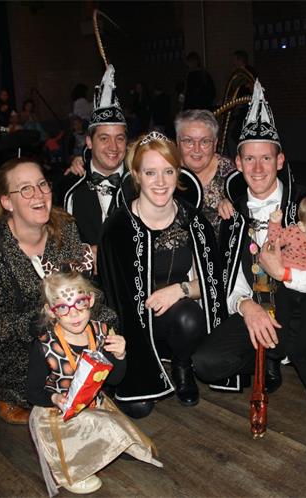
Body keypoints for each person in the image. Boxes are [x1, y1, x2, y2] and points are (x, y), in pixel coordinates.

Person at [193, 81, 306, 436]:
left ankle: (290, 358)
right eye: (249, 158)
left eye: (266, 158)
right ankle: (268, 358)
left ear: (280, 161)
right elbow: (230, 279)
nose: (257, 168)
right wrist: (246, 306)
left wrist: (285, 273)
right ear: (238, 163)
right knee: (206, 363)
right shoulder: (234, 214)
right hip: (262, 313)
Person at [0, 158, 116, 425]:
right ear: (7, 202)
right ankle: (10, 395)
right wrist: (44, 323)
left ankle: (81, 386)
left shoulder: (65, 228)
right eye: (25, 189)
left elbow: (83, 286)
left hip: (67, 315)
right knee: (40, 363)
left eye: (42, 185)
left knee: (110, 323)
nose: (38, 194)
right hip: (15, 337)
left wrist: (81, 313)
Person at [98, 131, 226, 419]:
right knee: (138, 408)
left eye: (168, 171)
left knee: (189, 317)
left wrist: (178, 290)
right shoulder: (117, 228)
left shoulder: (193, 221)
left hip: (175, 319)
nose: (160, 182)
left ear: (177, 173)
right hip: (130, 326)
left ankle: (182, 366)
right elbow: (109, 295)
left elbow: (213, 282)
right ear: (136, 175)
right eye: (150, 172)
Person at [27, 271, 161, 496]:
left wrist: (120, 356)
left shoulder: (101, 332)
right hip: (57, 414)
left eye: (80, 303)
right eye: (63, 307)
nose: (74, 314)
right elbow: (31, 392)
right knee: (103, 429)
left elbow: (115, 380)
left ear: (90, 300)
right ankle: (74, 468)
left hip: (92, 403)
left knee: (133, 441)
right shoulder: (44, 346)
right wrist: (54, 398)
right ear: (51, 312)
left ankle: (103, 442)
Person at [59, 65, 127, 259]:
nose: (113, 147)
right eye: (104, 138)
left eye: (120, 138)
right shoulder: (68, 187)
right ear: (89, 142)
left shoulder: (142, 182)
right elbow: (57, 244)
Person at [174, 109, 236, 236]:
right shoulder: (167, 171)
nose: (197, 149)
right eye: (188, 141)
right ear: (178, 142)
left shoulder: (228, 172)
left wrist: (234, 203)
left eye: (205, 141)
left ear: (215, 144)